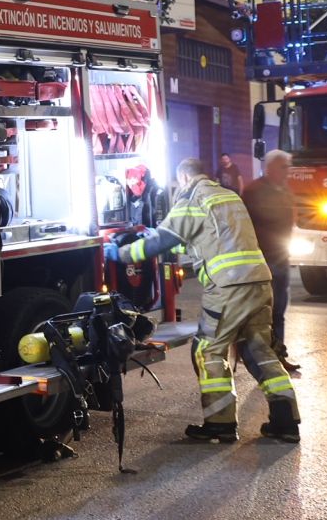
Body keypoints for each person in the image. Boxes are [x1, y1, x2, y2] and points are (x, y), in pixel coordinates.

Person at [106, 157, 299, 443]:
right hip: (259, 281)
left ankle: (219, 424)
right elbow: (211, 236)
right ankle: (286, 423)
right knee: (261, 351)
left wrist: (118, 254)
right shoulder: (228, 195)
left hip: (229, 288)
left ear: (183, 178)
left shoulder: (192, 199)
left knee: (208, 350)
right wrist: (161, 234)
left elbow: (160, 244)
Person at [241, 150, 302, 376]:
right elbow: (245, 225)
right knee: (261, 314)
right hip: (262, 261)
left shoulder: (284, 189)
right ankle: (259, 358)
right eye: (284, 166)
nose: (288, 171)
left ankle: (278, 356)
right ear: (270, 168)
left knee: (279, 312)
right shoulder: (254, 191)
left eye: (288, 166)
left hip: (280, 259)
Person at [122, 164, 171, 228]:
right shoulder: (131, 197)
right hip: (138, 235)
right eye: (129, 182)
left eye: (133, 181)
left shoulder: (157, 193)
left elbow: (161, 220)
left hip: (153, 234)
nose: (131, 185)